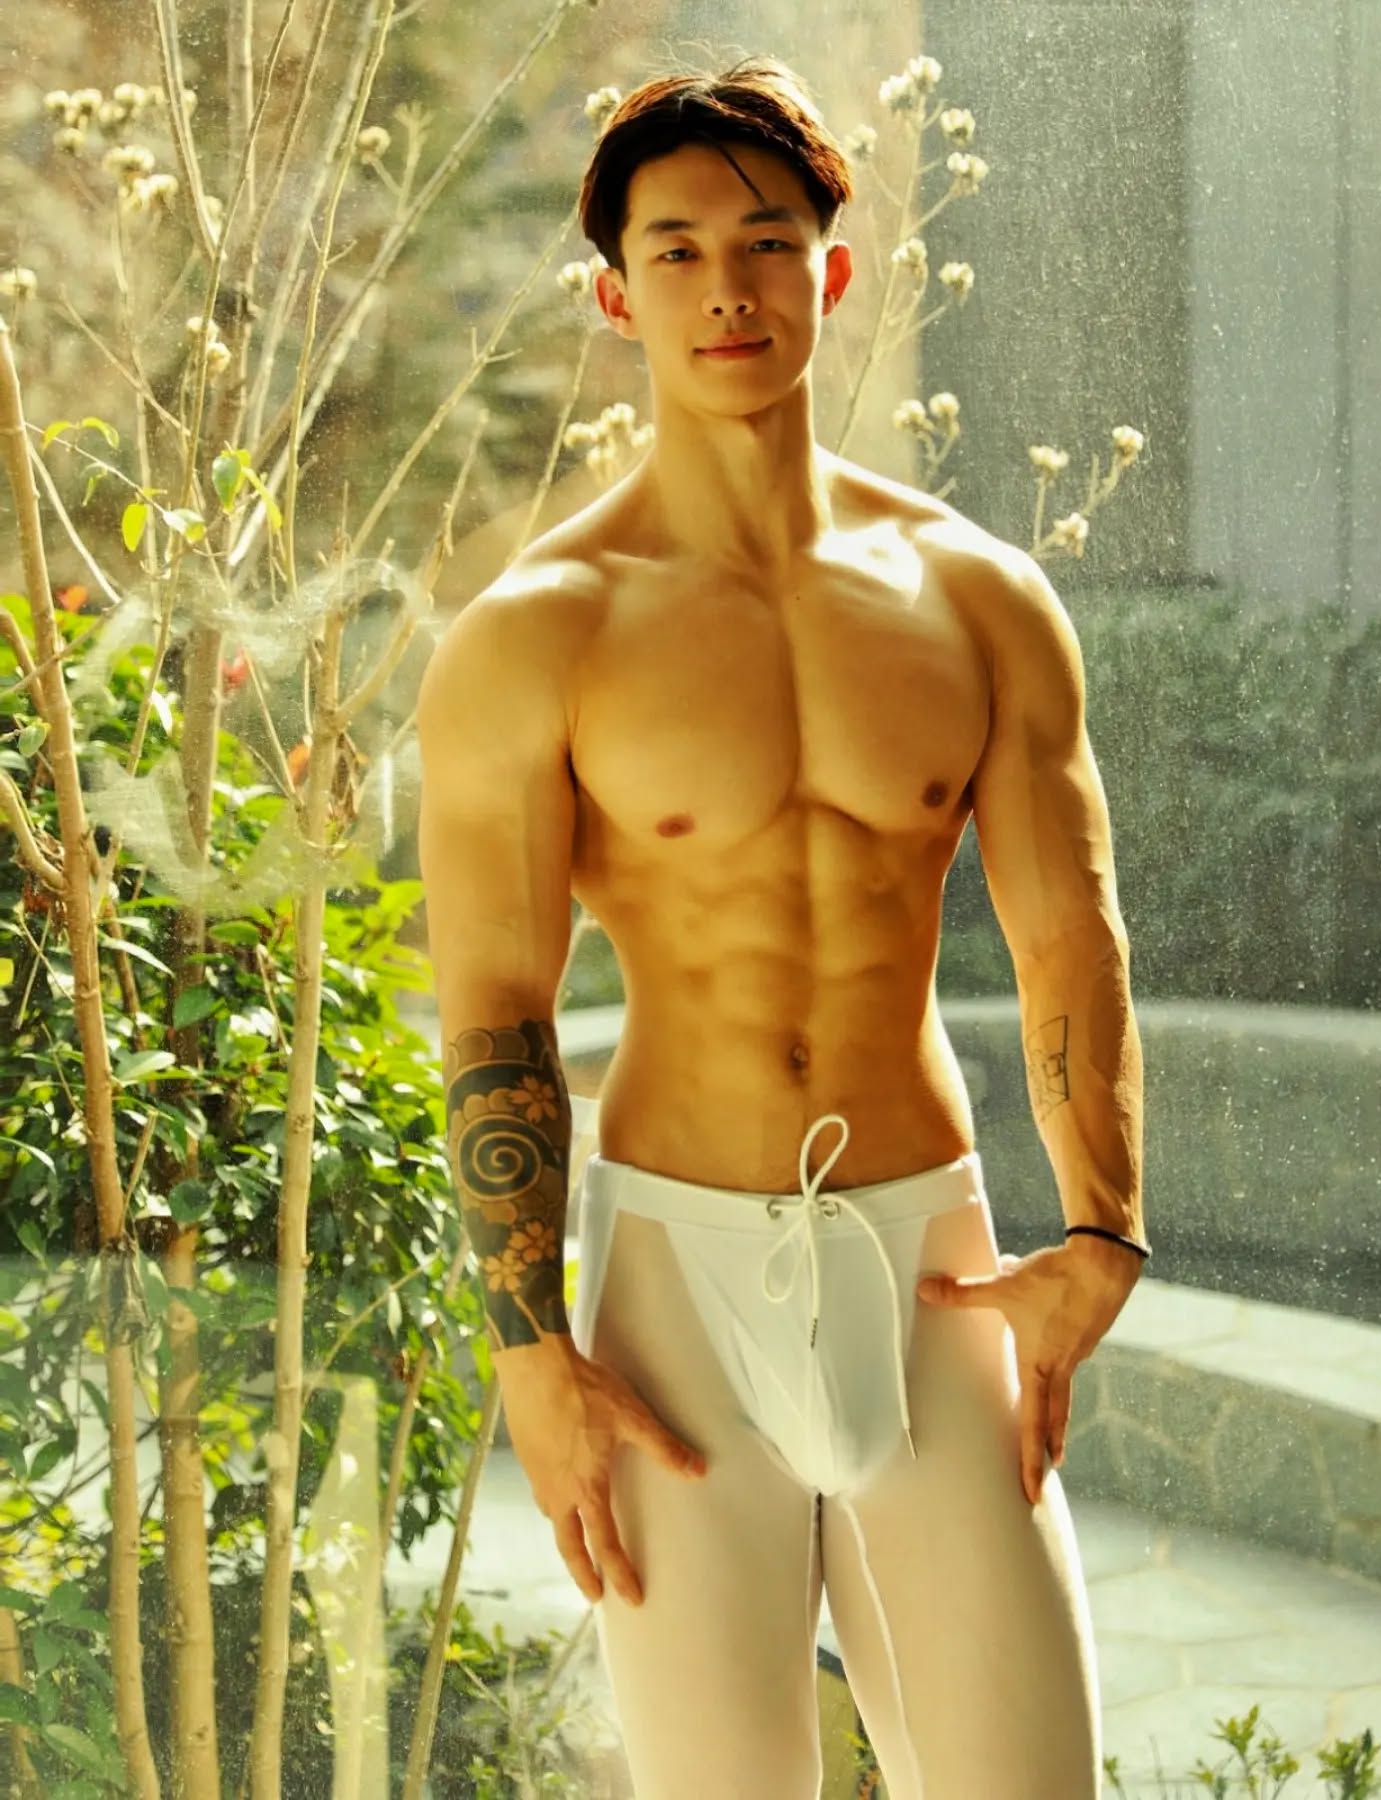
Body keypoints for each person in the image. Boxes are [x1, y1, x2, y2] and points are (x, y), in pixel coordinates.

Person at [417, 53, 1150, 1800]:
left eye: (764, 241)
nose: (726, 288)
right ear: (617, 296)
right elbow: (498, 1002)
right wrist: (531, 1353)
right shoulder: (538, 635)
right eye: (674, 252)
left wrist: (1103, 1229)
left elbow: (1072, 933)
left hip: (933, 1265)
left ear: (834, 267)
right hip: (672, 1291)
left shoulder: (980, 599)